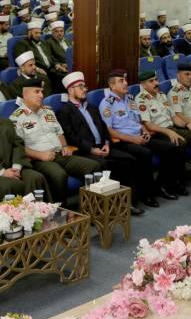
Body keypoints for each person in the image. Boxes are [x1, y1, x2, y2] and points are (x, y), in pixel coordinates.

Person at [56, 71, 152, 215]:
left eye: (85, 86)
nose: (85, 89)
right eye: (80, 87)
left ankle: (128, 202)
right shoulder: (64, 111)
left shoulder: (92, 107)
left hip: (103, 147)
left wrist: (107, 143)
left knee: (128, 160)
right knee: (104, 165)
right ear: (70, 90)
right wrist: (91, 149)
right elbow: (71, 137)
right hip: (85, 151)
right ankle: (108, 207)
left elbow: (105, 129)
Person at [11, 77, 102, 203]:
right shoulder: (17, 118)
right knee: (59, 175)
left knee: (93, 166)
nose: (41, 95)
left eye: (42, 92)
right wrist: (40, 155)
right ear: (25, 95)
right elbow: (19, 147)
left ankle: (92, 207)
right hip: (38, 160)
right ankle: (60, 210)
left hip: (60, 154)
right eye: (37, 92)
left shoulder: (48, 111)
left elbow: (59, 132)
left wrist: (64, 146)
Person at [100, 68, 184, 204]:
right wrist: (134, 139)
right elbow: (109, 130)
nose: (126, 83)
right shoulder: (107, 103)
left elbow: (139, 121)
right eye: (121, 81)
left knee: (170, 148)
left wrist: (144, 131)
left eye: (125, 80)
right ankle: (147, 194)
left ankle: (162, 186)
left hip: (140, 136)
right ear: (112, 85)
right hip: (123, 141)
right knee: (145, 153)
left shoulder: (130, 99)